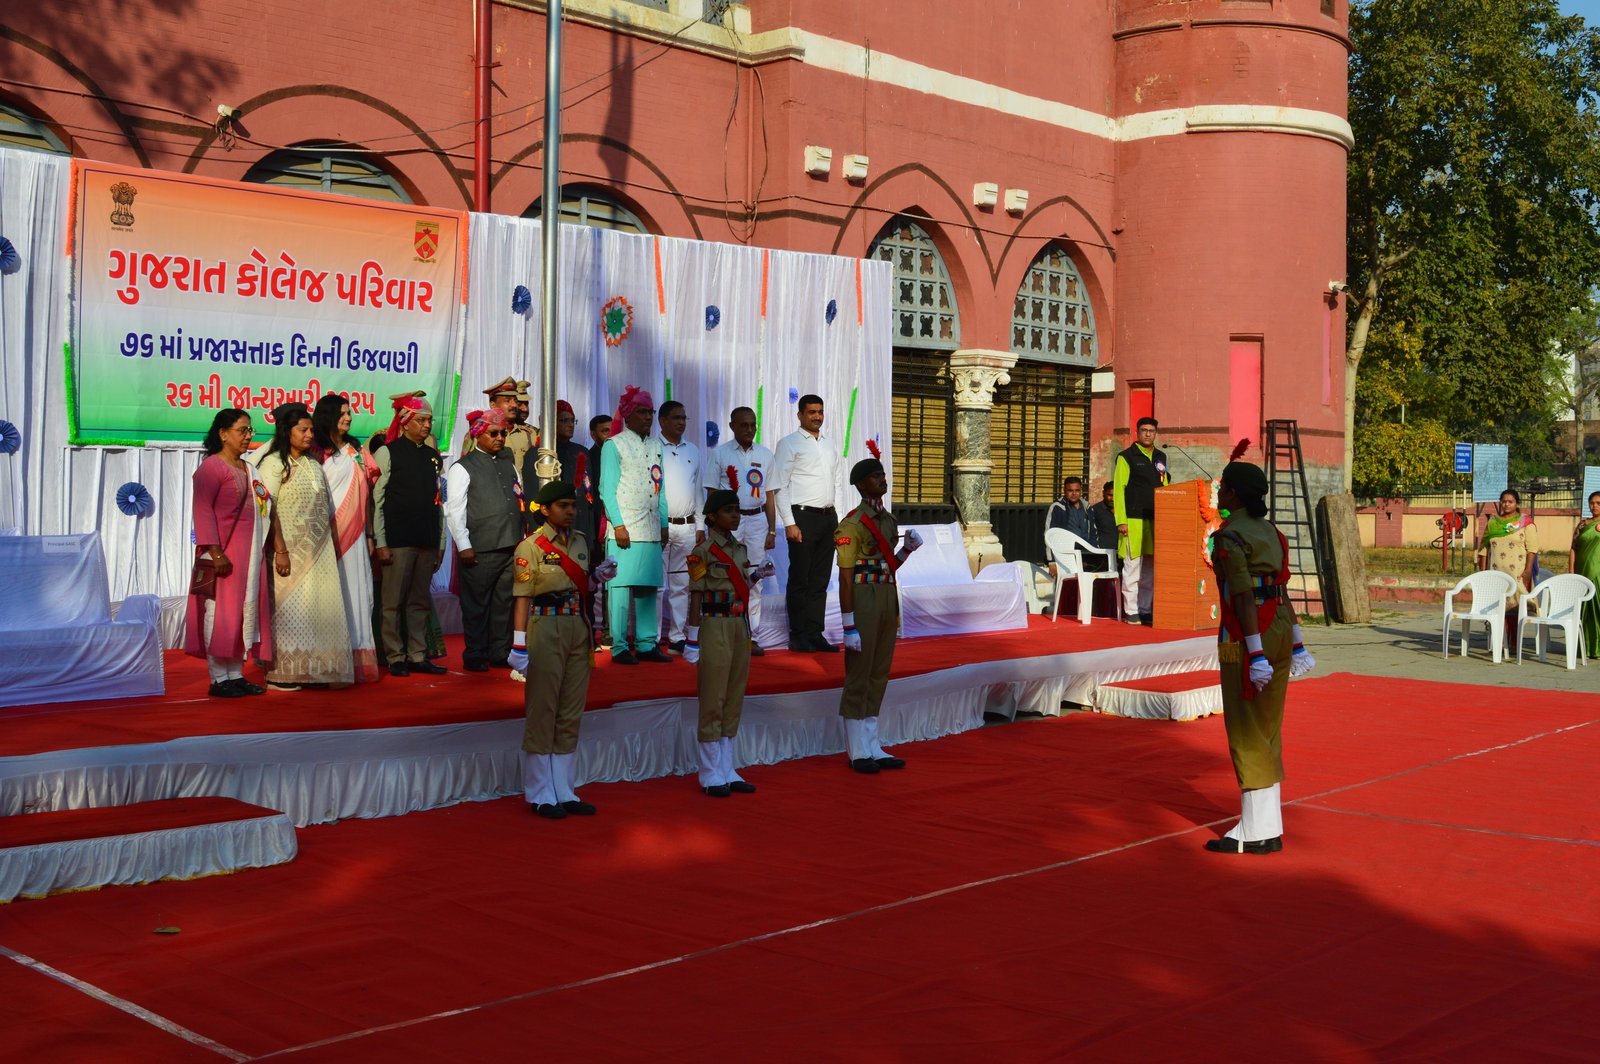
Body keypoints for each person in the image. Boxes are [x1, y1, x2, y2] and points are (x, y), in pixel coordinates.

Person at [1204, 458, 1315, 855]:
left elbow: (1242, 596)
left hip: (1248, 635)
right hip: (1280, 627)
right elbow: (1280, 588)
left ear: (1234, 494)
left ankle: (1254, 831)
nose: (1218, 493)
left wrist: (1254, 654)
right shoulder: (1271, 531)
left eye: (1222, 487)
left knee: (1246, 727)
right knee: (1268, 726)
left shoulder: (1230, 537)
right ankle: (1267, 824)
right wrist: (1297, 642)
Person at [508, 480, 619, 819]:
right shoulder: (530, 547)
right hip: (545, 627)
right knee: (543, 710)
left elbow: (579, 587)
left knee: (571, 710)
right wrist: (519, 645)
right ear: (545, 509)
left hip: (576, 628)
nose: (571, 511)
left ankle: (565, 790)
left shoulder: (581, 542)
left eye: (573, 505)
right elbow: (522, 597)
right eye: (563, 506)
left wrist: (597, 578)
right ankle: (541, 793)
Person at [835, 451, 924, 773]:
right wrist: (848, 625)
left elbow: (889, 568)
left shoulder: (888, 520)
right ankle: (857, 750)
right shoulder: (852, 524)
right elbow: (846, 577)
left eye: (883, 475)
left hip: (886, 597)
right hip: (863, 600)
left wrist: (907, 551)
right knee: (859, 674)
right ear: (861, 485)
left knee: (879, 673)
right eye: (876, 477)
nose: (883, 480)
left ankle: (873, 744)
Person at [257, 402, 355, 689]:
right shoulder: (274, 464)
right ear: (286, 432)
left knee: (316, 611)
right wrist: (281, 551)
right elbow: (267, 510)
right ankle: (281, 674)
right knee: (288, 614)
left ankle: (314, 671)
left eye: (311, 430)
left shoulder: (313, 463)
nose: (310, 435)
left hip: (318, 554)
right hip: (288, 554)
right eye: (303, 430)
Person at [683, 489, 774, 796]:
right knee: (713, 697)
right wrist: (692, 639)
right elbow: (696, 594)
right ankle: (709, 771)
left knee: (734, 696)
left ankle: (727, 767)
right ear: (712, 517)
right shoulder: (702, 552)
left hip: (738, 625)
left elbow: (739, 587)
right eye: (729, 511)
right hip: (714, 625)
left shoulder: (740, 548)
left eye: (737, 509)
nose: (736, 515)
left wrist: (757, 576)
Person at [185, 408, 272, 698]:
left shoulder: (249, 468)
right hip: (222, 555)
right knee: (219, 613)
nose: (248, 436)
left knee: (241, 614)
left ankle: (235, 674)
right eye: (242, 430)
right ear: (223, 434)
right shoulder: (211, 467)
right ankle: (218, 678)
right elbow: (202, 511)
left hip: (250, 555)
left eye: (250, 430)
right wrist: (216, 552)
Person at [373, 391, 449, 677]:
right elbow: (377, 500)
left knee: (419, 602)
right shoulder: (388, 452)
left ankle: (417, 655)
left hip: (426, 538)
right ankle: (394, 656)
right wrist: (381, 541)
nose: (427, 425)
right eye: (421, 420)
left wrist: (440, 543)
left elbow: (439, 502)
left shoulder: (433, 457)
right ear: (405, 422)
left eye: (429, 421)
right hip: (397, 540)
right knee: (392, 603)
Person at [445, 407, 525, 672]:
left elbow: (519, 498)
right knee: (476, 605)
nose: (500, 438)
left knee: (504, 603)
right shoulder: (462, 467)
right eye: (493, 433)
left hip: (510, 544)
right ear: (478, 434)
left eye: (503, 433)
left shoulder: (507, 462)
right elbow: (454, 510)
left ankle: (499, 652)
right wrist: (464, 545)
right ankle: (475, 654)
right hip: (480, 548)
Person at [599, 386, 672, 664]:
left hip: (651, 528)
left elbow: (660, 489)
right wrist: (618, 525)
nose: (648, 417)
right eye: (642, 412)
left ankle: (646, 644)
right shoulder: (614, 445)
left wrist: (663, 523)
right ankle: (619, 646)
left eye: (650, 412)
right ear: (628, 414)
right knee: (619, 588)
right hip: (625, 528)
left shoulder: (656, 446)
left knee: (648, 587)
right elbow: (607, 490)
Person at [311, 394, 380, 684]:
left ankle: (356, 660)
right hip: (323, 536)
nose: (348, 418)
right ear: (327, 416)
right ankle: (326, 662)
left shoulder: (356, 449)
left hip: (355, 536)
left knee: (357, 593)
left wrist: (370, 533)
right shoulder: (315, 451)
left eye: (349, 413)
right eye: (342, 414)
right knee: (328, 597)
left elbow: (367, 496)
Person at [705, 406, 778, 655]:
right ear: (732, 426)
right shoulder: (720, 454)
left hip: (757, 521)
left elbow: (770, 495)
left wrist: (771, 531)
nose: (749, 429)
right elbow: (712, 493)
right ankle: (726, 631)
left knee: (755, 579)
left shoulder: (766, 455)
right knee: (726, 577)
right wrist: (714, 529)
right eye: (744, 425)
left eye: (753, 424)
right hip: (728, 524)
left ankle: (751, 636)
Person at [772, 394, 840, 652]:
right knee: (801, 578)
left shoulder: (829, 444)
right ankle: (799, 635)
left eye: (820, 411)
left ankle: (815, 633)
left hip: (828, 518)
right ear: (800, 415)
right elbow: (780, 485)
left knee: (820, 580)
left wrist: (837, 518)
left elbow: (835, 482)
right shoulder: (788, 444)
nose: (817, 416)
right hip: (802, 517)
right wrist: (789, 522)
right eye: (811, 412)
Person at [657, 400, 703, 653]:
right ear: (662, 421)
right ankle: (652, 639)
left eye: (684, 418)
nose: (681, 422)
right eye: (676, 418)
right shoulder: (653, 448)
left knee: (682, 584)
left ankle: (676, 637)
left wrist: (700, 526)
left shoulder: (693, 450)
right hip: (660, 527)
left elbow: (698, 491)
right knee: (657, 586)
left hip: (687, 527)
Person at [1113, 416, 1169, 624]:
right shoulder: (1126, 457)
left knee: (1150, 569)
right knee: (1133, 566)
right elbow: (1119, 489)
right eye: (1144, 430)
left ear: (1156, 433)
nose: (1148, 434)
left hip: (1156, 520)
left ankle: (1145, 609)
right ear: (1137, 433)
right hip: (1133, 519)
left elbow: (1164, 484)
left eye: (1151, 431)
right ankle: (1131, 610)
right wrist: (1121, 520)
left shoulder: (1161, 456)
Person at [1478, 490, 1538, 623]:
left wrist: (1528, 570)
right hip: (1496, 574)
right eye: (1504, 501)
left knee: (1518, 611)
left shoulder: (1525, 522)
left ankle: (1515, 637)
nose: (1506, 504)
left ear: (1517, 504)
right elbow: (1484, 549)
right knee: (1496, 611)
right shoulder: (1493, 523)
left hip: (1517, 574)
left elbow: (1532, 549)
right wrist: (1483, 572)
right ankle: (1497, 636)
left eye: (1510, 502)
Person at [587, 412, 613, 645]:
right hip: (595, 527)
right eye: (605, 431)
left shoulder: (618, 454)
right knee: (594, 580)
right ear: (593, 434)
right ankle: (592, 630)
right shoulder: (588, 457)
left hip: (616, 527)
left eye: (612, 430)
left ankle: (610, 630)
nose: (610, 435)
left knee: (613, 580)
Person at [1571, 490, 1600, 658]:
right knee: (1583, 611)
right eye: (1592, 503)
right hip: (1582, 572)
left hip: (1598, 572)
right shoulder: (1582, 525)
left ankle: (1597, 648)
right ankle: (1584, 647)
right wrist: (1571, 572)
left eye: (1598, 503)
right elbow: (1573, 548)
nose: (1594, 506)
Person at [461, 377, 521, 456]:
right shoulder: (479, 432)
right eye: (507, 400)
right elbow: (467, 461)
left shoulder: (527, 434)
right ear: (493, 405)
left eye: (515, 401)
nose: (514, 405)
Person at [1088, 481, 1119, 572]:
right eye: (1110, 495)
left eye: (1116, 495)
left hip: (1122, 556)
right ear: (1103, 493)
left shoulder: (1126, 510)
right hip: (1102, 558)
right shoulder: (1094, 510)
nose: (1112, 499)